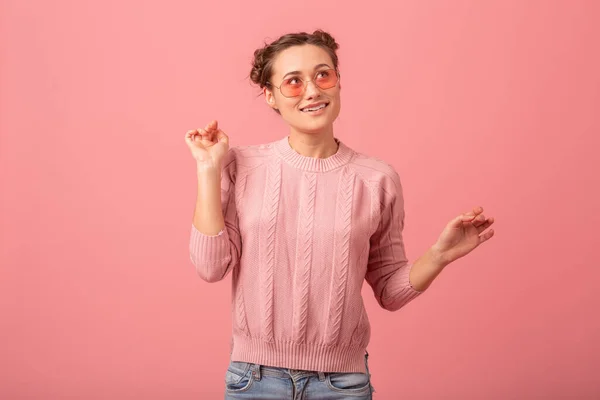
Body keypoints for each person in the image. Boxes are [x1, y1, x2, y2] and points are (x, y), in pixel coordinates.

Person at [185, 29, 495, 399]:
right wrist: (208, 169)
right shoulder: (239, 165)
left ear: (338, 82)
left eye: (322, 75)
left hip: (341, 385)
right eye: (293, 82)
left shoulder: (377, 179)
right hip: (254, 379)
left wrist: (439, 255)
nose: (313, 90)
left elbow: (390, 293)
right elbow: (210, 267)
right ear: (270, 96)